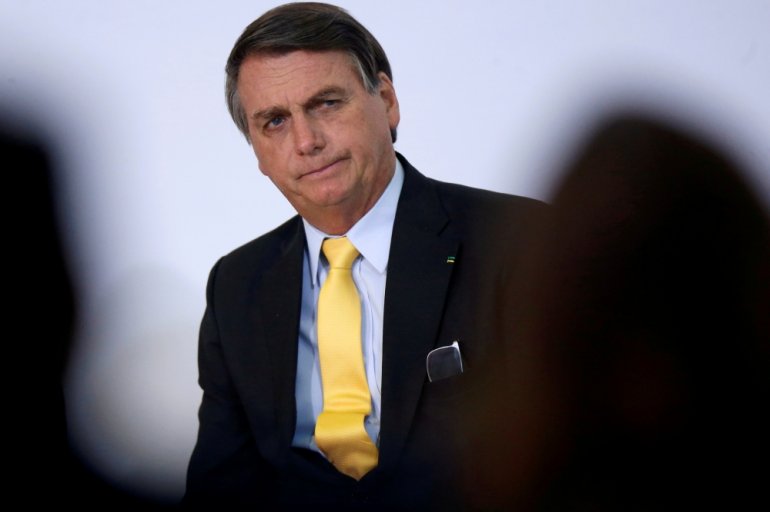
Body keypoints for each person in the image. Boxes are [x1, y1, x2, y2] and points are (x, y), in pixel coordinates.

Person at [183, 2, 542, 509]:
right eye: (275, 121)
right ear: (256, 151)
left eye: (326, 103)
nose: (306, 141)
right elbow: (220, 490)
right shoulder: (238, 284)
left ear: (388, 101)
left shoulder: (517, 242)